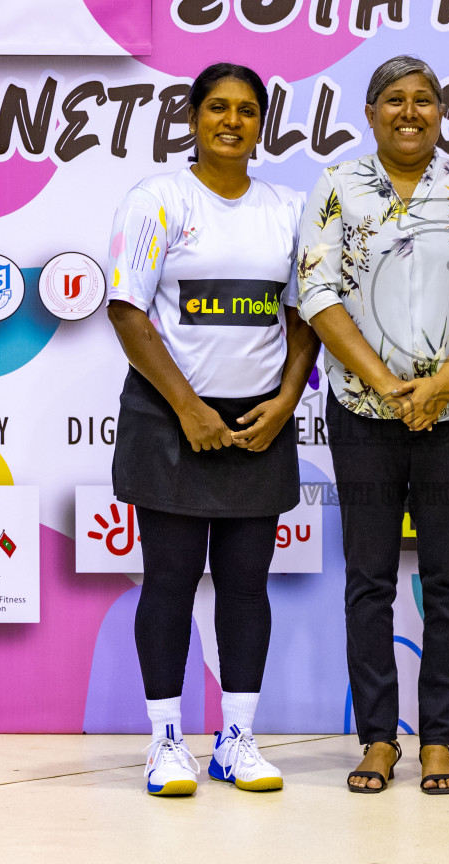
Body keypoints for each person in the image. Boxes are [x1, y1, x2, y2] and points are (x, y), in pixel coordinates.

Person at [296, 55, 449, 794]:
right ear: (372, 111)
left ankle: (441, 741)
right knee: (369, 580)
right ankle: (380, 739)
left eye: (425, 100)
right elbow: (316, 290)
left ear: (442, 113)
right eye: (396, 100)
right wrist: (390, 386)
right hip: (364, 413)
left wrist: (445, 379)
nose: (411, 111)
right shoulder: (336, 186)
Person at [106, 63, 318, 797]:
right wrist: (190, 409)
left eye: (249, 110)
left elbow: (303, 318)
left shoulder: (289, 209)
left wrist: (286, 400)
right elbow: (129, 314)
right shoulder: (157, 199)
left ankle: (238, 741)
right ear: (193, 116)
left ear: (265, 122)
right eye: (218, 108)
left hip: (257, 420)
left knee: (245, 586)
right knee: (167, 582)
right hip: (171, 419)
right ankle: (166, 743)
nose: (233, 121)